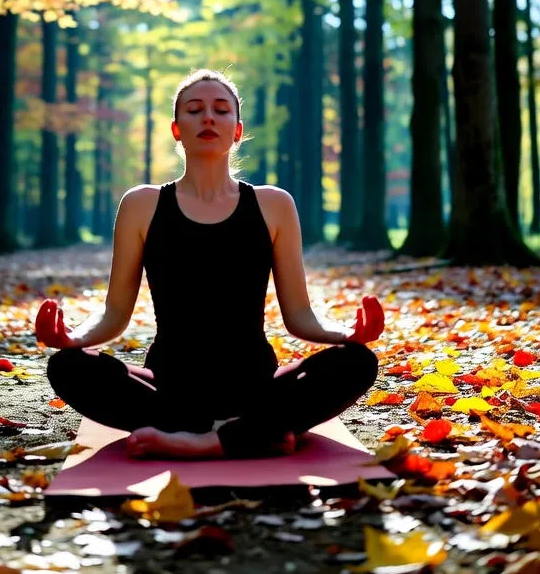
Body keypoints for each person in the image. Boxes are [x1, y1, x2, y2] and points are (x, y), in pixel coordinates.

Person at [36, 68, 384, 461]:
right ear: (176, 129)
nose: (207, 118)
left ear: (237, 130)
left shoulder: (274, 205)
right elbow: (114, 314)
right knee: (68, 367)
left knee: (356, 362)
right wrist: (74, 339)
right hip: (168, 389)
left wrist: (347, 333)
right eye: (194, 109)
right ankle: (254, 434)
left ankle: (207, 440)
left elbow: (301, 315)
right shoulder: (141, 205)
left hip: (257, 386)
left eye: (221, 110)